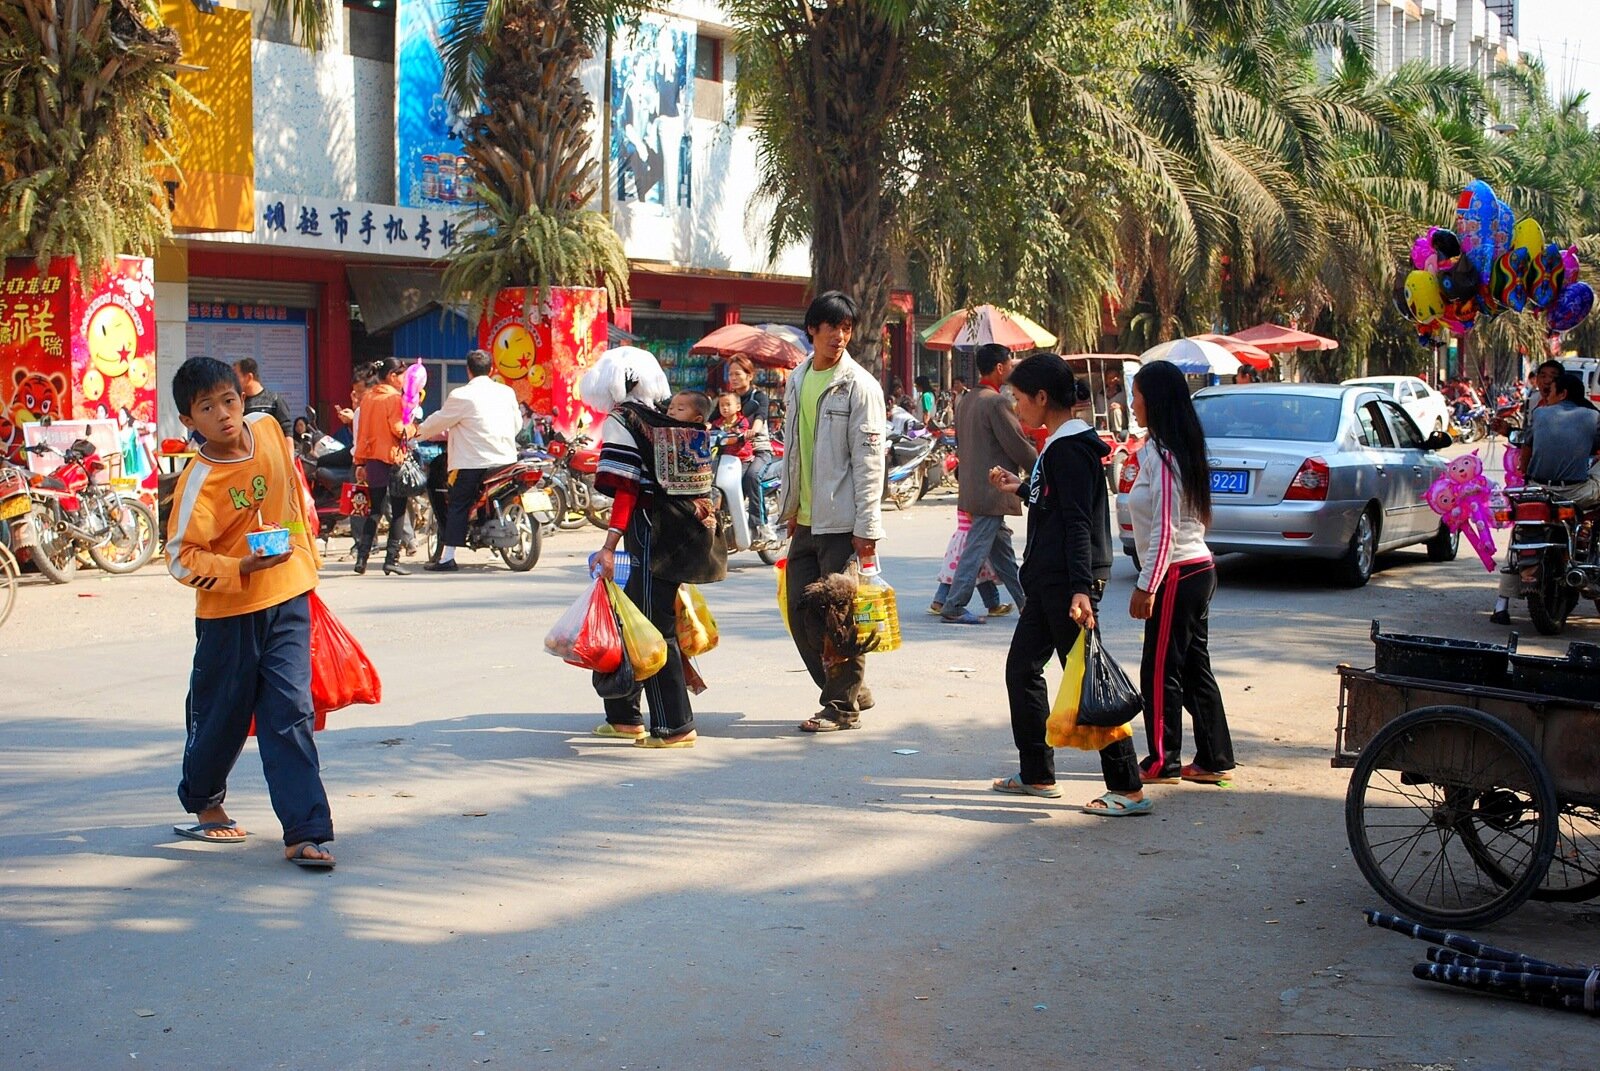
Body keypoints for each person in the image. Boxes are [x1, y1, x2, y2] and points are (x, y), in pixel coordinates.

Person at [164, 357, 334, 868]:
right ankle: (203, 798)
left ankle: (305, 831)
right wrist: (239, 565)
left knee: (290, 712)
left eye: (229, 400)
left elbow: (293, 498)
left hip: (289, 594)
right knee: (223, 716)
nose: (223, 414)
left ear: (244, 399)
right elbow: (180, 558)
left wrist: (306, 558)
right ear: (189, 420)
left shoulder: (269, 431)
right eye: (207, 408)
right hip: (229, 615)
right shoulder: (199, 480)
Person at [984, 355, 1132, 811]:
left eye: (1019, 398)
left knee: (1090, 679)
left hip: (1068, 584)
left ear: (1043, 397)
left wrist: (1081, 588)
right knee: (1022, 669)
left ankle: (1128, 786)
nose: (1017, 407)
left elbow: (1078, 521)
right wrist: (1020, 486)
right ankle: (1037, 773)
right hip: (1051, 580)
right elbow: (1053, 501)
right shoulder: (1062, 445)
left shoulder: (1069, 449)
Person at [586, 351, 725, 748]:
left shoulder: (622, 421)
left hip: (651, 532)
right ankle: (623, 715)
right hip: (681, 533)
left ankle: (674, 725)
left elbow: (627, 489)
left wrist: (609, 545)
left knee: (651, 626)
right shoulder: (657, 418)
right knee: (628, 617)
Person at [777, 291, 886, 733]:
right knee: (800, 613)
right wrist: (790, 505)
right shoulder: (798, 378)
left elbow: (870, 461)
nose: (839, 336)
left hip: (843, 522)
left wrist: (867, 527)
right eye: (831, 327)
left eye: (846, 328)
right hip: (805, 519)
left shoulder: (860, 385)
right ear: (812, 329)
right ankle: (851, 688)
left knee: (838, 618)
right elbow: (793, 448)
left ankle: (841, 707)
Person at [1126, 360, 1235, 788]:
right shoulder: (1173, 449)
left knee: (1159, 671)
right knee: (1192, 669)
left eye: (1136, 396)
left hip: (1179, 572)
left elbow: (1166, 528)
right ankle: (1213, 757)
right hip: (1194, 568)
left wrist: (1146, 585)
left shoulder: (1163, 455)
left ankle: (1162, 761)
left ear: (1154, 401)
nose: (1131, 405)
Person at [1492, 372, 1600, 624]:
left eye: (1549, 391)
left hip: (1537, 489)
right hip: (1574, 492)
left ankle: (1502, 602)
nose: (1546, 396)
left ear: (1562, 393)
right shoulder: (1593, 417)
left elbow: (1526, 449)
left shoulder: (1539, 414)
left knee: (1517, 536)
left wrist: (1527, 476)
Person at [941, 343, 1033, 625]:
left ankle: (1027, 603)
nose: (1012, 368)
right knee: (976, 549)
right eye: (1010, 364)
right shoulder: (996, 402)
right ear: (1000, 368)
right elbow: (1016, 444)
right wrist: (1043, 467)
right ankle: (954, 605)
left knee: (1002, 552)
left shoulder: (966, 400)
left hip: (972, 487)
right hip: (992, 489)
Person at [415, 349, 521, 573]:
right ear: (491, 369)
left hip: (473, 463)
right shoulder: (506, 392)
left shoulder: (462, 395)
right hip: (506, 460)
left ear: (468, 371)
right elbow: (517, 425)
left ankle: (447, 558)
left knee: (458, 503)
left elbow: (438, 421)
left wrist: (415, 433)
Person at [352, 357, 416, 576]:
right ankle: (391, 560)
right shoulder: (394, 399)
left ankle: (362, 558)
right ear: (392, 376)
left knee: (375, 510)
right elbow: (399, 429)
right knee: (398, 510)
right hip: (392, 459)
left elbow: (362, 433)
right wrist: (413, 428)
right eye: (403, 376)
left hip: (372, 459)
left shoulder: (368, 398)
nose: (405, 380)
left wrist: (360, 462)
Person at [724, 356, 776, 541]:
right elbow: (713, 419)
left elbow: (761, 416)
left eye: (737, 374)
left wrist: (753, 430)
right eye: (730, 374)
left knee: (752, 477)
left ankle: (761, 525)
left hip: (758, 450)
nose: (733, 378)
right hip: (734, 451)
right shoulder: (729, 399)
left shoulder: (758, 397)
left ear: (749, 375)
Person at [929, 509, 1010, 617]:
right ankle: (993, 605)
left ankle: (939, 602)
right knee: (979, 574)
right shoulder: (970, 503)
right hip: (972, 539)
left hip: (962, 538)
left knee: (959, 575)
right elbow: (972, 517)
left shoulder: (964, 500)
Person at [233, 358, 293, 435]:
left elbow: (287, 431)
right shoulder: (237, 403)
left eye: (235, 376)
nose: (233, 381)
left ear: (249, 377)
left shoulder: (274, 400)